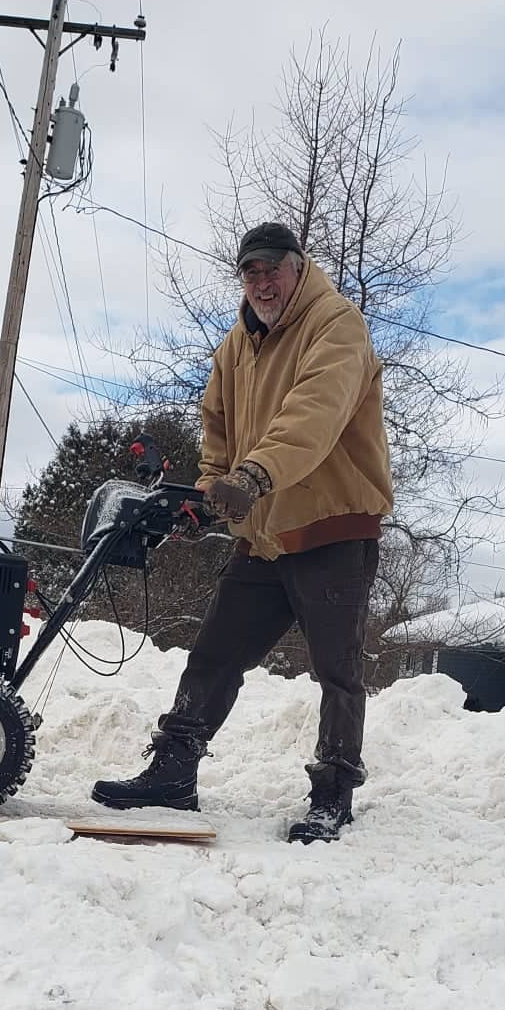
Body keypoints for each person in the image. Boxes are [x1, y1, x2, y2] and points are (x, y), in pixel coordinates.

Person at [93, 222, 394, 842]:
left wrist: (255, 475)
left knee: (336, 670)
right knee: (215, 655)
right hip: (265, 532)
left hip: (334, 527)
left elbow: (314, 411)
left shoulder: (336, 324)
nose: (261, 283)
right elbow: (218, 429)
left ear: (297, 267)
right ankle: (174, 772)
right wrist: (210, 491)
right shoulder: (236, 345)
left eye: (272, 270)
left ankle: (333, 792)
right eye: (250, 273)